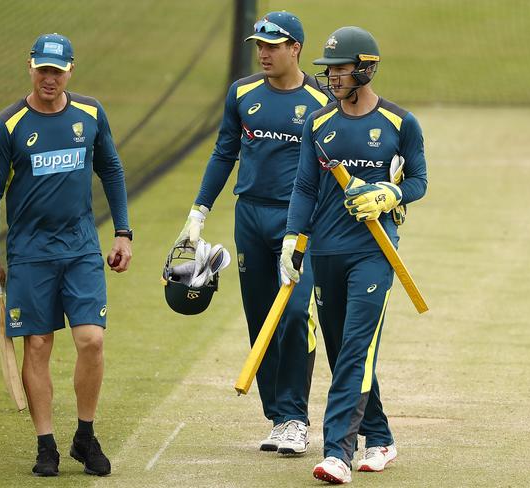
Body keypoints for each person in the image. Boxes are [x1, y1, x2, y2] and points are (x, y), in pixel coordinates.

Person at [0, 33, 132, 477]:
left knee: (92, 340)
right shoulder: (6, 126)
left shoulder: (90, 113)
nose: (50, 78)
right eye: (43, 69)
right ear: (30, 67)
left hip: (81, 248)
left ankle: (85, 435)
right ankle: (46, 445)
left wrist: (123, 233)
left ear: (70, 71)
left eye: (57, 70)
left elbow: (112, 169)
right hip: (30, 255)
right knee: (39, 344)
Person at [175, 11, 329, 455]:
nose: (263, 52)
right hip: (250, 217)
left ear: (295, 47)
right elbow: (225, 153)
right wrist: (198, 211)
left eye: (273, 45)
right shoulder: (241, 93)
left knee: (296, 314)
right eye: (259, 44)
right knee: (260, 316)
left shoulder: (321, 103)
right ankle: (278, 416)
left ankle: (297, 418)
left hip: (296, 223)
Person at [282, 26, 427, 483]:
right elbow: (305, 186)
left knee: (356, 350)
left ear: (365, 68)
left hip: (375, 253)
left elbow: (419, 181)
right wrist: (293, 239)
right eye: (328, 71)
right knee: (347, 351)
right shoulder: (319, 125)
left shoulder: (401, 124)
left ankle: (338, 452)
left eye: (340, 69)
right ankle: (380, 439)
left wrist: (390, 193)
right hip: (327, 251)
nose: (331, 78)